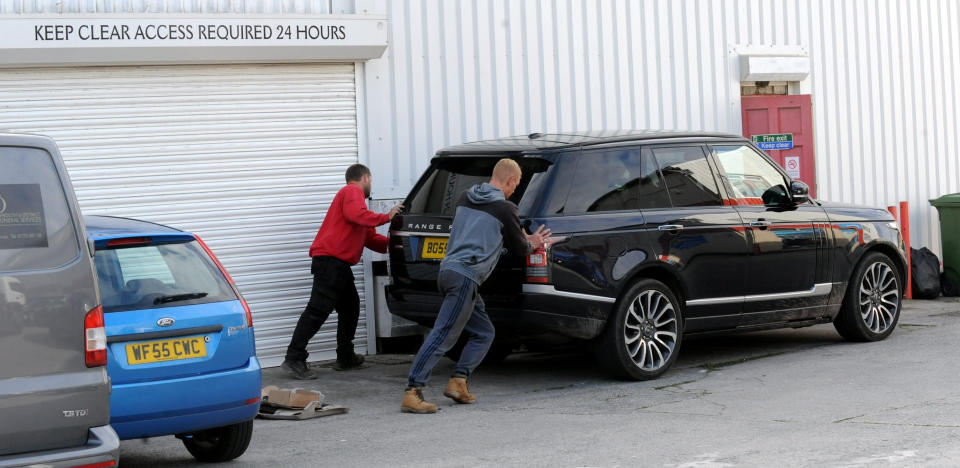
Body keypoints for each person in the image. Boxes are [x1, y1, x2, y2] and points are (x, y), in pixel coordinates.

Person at [401, 158, 550, 413]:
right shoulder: (505, 208)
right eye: (516, 185)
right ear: (511, 180)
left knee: (484, 332)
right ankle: (413, 391)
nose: (514, 190)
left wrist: (518, 234)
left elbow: (485, 229)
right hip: (464, 276)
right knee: (443, 334)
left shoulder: (465, 198)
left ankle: (458, 382)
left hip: (448, 271)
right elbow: (520, 247)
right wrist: (534, 241)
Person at [282, 163, 402, 379]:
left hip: (338, 264)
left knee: (350, 308)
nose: (370, 185)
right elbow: (358, 215)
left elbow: (371, 238)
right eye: (371, 180)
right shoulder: (351, 192)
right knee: (317, 310)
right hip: (330, 261)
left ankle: (345, 356)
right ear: (365, 177)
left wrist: (400, 246)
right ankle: (294, 358)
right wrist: (387, 216)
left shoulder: (359, 209)